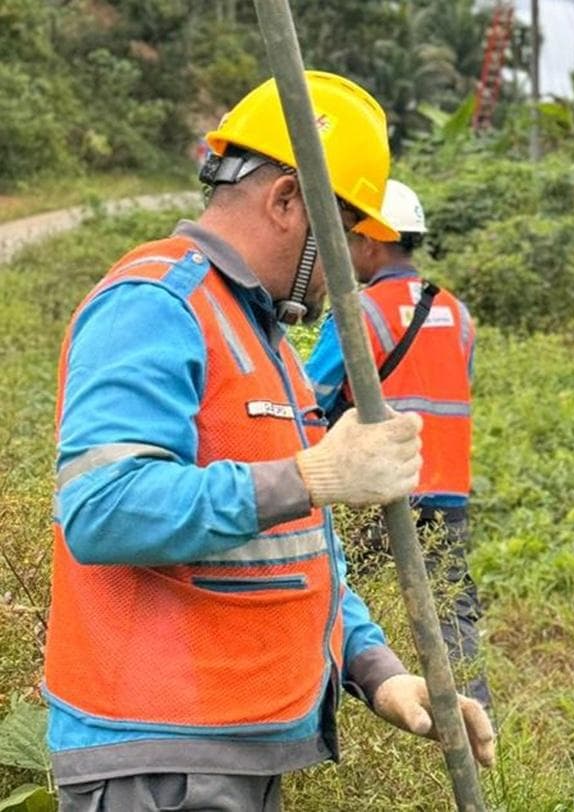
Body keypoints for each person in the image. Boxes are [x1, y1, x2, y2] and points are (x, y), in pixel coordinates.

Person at [44, 71, 494, 812]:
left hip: (233, 749)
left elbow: (303, 546)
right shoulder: (156, 303)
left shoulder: (269, 341)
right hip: (157, 760)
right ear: (287, 199)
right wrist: (311, 475)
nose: (351, 264)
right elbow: (102, 507)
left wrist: (379, 672)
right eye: (346, 235)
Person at [306, 179, 491, 709]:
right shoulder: (456, 312)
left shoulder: (360, 311)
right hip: (447, 490)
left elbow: (311, 396)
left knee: (336, 599)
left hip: (378, 488)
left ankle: (345, 703)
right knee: (452, 614)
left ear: (370, 242)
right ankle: (474, 724)